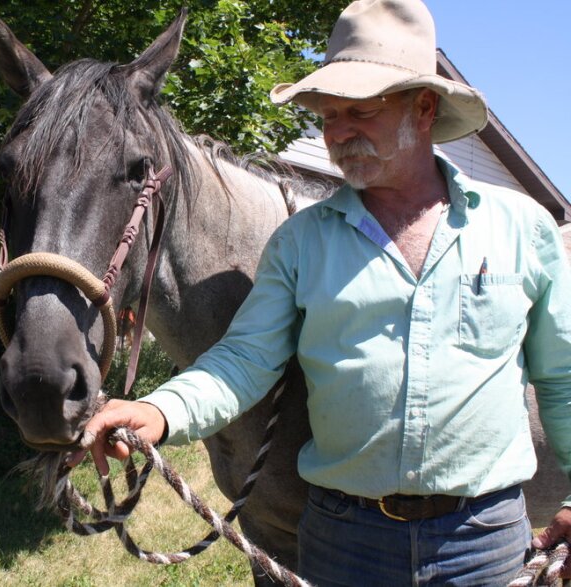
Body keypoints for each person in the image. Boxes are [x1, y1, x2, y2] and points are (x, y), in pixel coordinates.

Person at [72, 0, 571, 584]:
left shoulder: (519, 227)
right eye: (329, 115)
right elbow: (243, 363)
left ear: (426, 107)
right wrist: (158, 410)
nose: (338, 133)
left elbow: (561, 379)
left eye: (360, 110)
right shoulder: (301, 243)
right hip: (342, 537)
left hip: (483, 541)